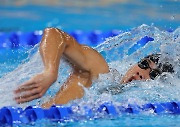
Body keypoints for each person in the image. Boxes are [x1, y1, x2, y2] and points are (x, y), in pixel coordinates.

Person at [14, 28, 174, 108]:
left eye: (153, 75)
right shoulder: (100, 71)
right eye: (144, 64)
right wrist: (50, 71)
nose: (142, 73)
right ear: (134, 63)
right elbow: (54, 34)